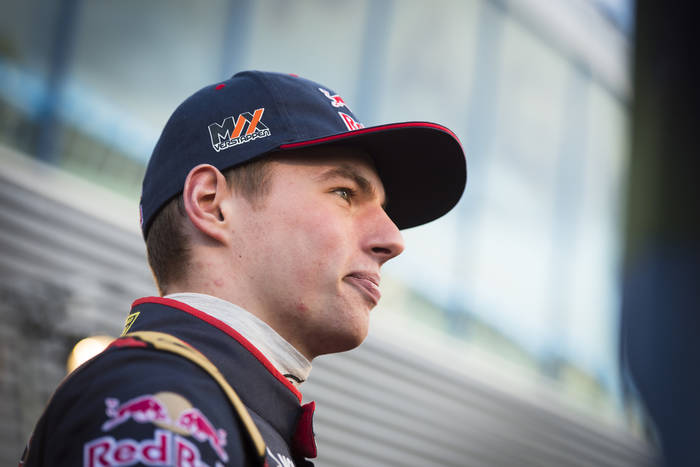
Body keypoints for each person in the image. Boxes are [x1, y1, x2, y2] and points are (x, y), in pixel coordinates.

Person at [20, 70, 467, 466]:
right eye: (345, 193)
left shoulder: (223, 408)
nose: (393, 240)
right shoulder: (158, 401)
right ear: (211, 204)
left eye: (383, 209)